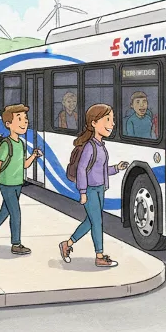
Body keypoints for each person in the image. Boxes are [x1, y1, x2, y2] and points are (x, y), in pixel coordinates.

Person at [59, 104, 128, 268]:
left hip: (99, 189)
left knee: (90, 221)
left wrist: (116, 168)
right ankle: (100, 255)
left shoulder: (101, 146)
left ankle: (67, 244)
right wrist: (82, 192)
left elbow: (101, 169)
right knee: (97, 222)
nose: (112, 124)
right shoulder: (90, 146)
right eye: (108, 120)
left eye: (112, 120)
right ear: (94, 123)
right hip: (90, 189)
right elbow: (82, 169)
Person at [0, 104, 43, 254]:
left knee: (5, 211)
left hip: (17, 184)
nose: (24, 122)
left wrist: (33, 156)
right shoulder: (6, 145)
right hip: (6, 184)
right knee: (16, 213)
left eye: (25, 119)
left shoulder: (21, 144)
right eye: (19, 119)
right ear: (8, 124)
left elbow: (24, 165)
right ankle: (16, 244)